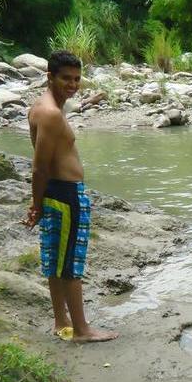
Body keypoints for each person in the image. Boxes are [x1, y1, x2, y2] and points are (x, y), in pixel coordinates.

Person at [22, 50, 118, 343]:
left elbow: (43, 168)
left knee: (55, 258)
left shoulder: (42, 106)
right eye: (66, 78)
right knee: (70, 263)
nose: (73, 85)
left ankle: (61, 320)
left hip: (56, 192)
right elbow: (40, 167)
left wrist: (39, 201)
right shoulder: (51, 113)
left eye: (77, 79)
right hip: (65, 194)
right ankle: (81, 330)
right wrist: (35, 204)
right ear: (49, 76)